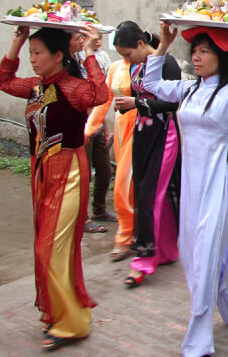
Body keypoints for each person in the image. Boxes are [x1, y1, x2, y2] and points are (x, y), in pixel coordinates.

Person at [144, 21, 228, 357]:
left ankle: (199, 335)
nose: (196, 57)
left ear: (221, 56)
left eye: (204, 51)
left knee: (208, 252)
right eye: (194, 51)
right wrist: (163, 44)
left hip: (218, 184)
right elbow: (150, 83)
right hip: (191, 186)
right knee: (193, 252)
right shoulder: (188, 90)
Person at [0, 25, 108, 350]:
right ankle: (63, 317)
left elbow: (100, 95)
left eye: (37, 52)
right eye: (30, 53)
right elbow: (2, 81)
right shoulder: (34, 87)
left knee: (51, 249)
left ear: (58, 56)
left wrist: (87, 52)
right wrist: (17, 40)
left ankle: (72, 323)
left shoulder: (73, 88)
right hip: (42, 172)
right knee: (46, 249)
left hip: (69, 172)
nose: (32, 59)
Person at [112, 22, 181, 289]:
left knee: (149, 194)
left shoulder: (167, 62)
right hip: (141, 133)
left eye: (128, 54)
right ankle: (164, 250)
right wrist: (129, 104)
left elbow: (173, 102)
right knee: (146, 193)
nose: (126, 60)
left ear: (141, 44)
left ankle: (142, 260)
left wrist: (137, 103)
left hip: (165, 135)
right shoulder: (136, 65)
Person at [84, 56, 136, 262]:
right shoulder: (115, 67)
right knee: (126, 183)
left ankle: (125, 237)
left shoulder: (149, 64)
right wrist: (89, 128)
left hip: (142, 127)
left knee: (124, 184)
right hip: (122, 126)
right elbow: (104, 99)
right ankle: (132, 234)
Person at [74, 33, 116, 231]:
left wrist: (105, 126)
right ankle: (82, 218)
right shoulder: (76, 60)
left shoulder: (103, 58)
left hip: (98, 122)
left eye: (100, 36)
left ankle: (99, 209)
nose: (97, 39)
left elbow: (103, 98)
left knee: (105, 169)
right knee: (84, 173)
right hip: (83, 125)